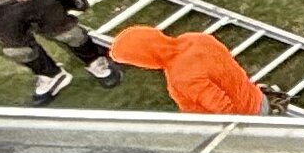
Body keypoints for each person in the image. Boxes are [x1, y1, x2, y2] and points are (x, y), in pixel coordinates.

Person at [105, 22, 268, 117]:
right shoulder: (196, 38)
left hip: (251, 117)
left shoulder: (181, 77)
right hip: (256, 98)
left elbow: (225, 112)